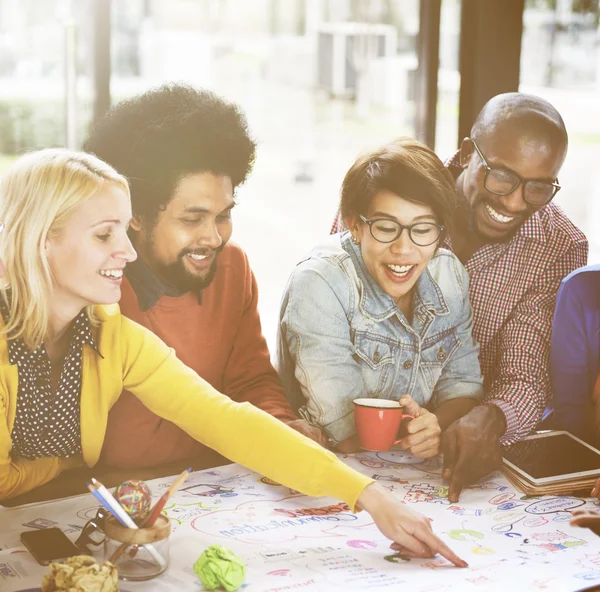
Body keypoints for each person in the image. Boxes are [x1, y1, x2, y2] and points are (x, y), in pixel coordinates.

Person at [0, 148, 466, 566]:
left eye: (123, 229)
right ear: (43, 240)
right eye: (105, 235)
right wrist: (60, 468)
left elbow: (227, 420)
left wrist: (370, 497)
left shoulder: (114, 336)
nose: (125, 249)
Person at [331, 93, 588, 501]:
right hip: (351, 435)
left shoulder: (558, 244)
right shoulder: (386, 186)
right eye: (501, 176)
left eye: (539, 188)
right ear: (469, 152)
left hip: (457, 453)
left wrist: (493, 417)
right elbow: (330, 321)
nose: (514, 201)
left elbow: (525, 373)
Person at [83, 84, 322, 469]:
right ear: (136, 216)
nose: (213, 237)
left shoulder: (233, 269)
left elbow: (250, 381)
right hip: (112, 494)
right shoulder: (98, 285)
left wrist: (282, 425)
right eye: (192, 219)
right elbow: (113, 443)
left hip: (213, 489)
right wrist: (249, 435)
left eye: (223, 215)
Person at [277, 139, 485, 457]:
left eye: (423, 228)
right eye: (386, 227)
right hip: (329, 466)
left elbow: (463, 388)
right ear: (354, 225)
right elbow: (343, 430)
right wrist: (416, 431)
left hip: (408, 471)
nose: (404, 249)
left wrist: (433, 426)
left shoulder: (451, 276)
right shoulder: (320, 282)